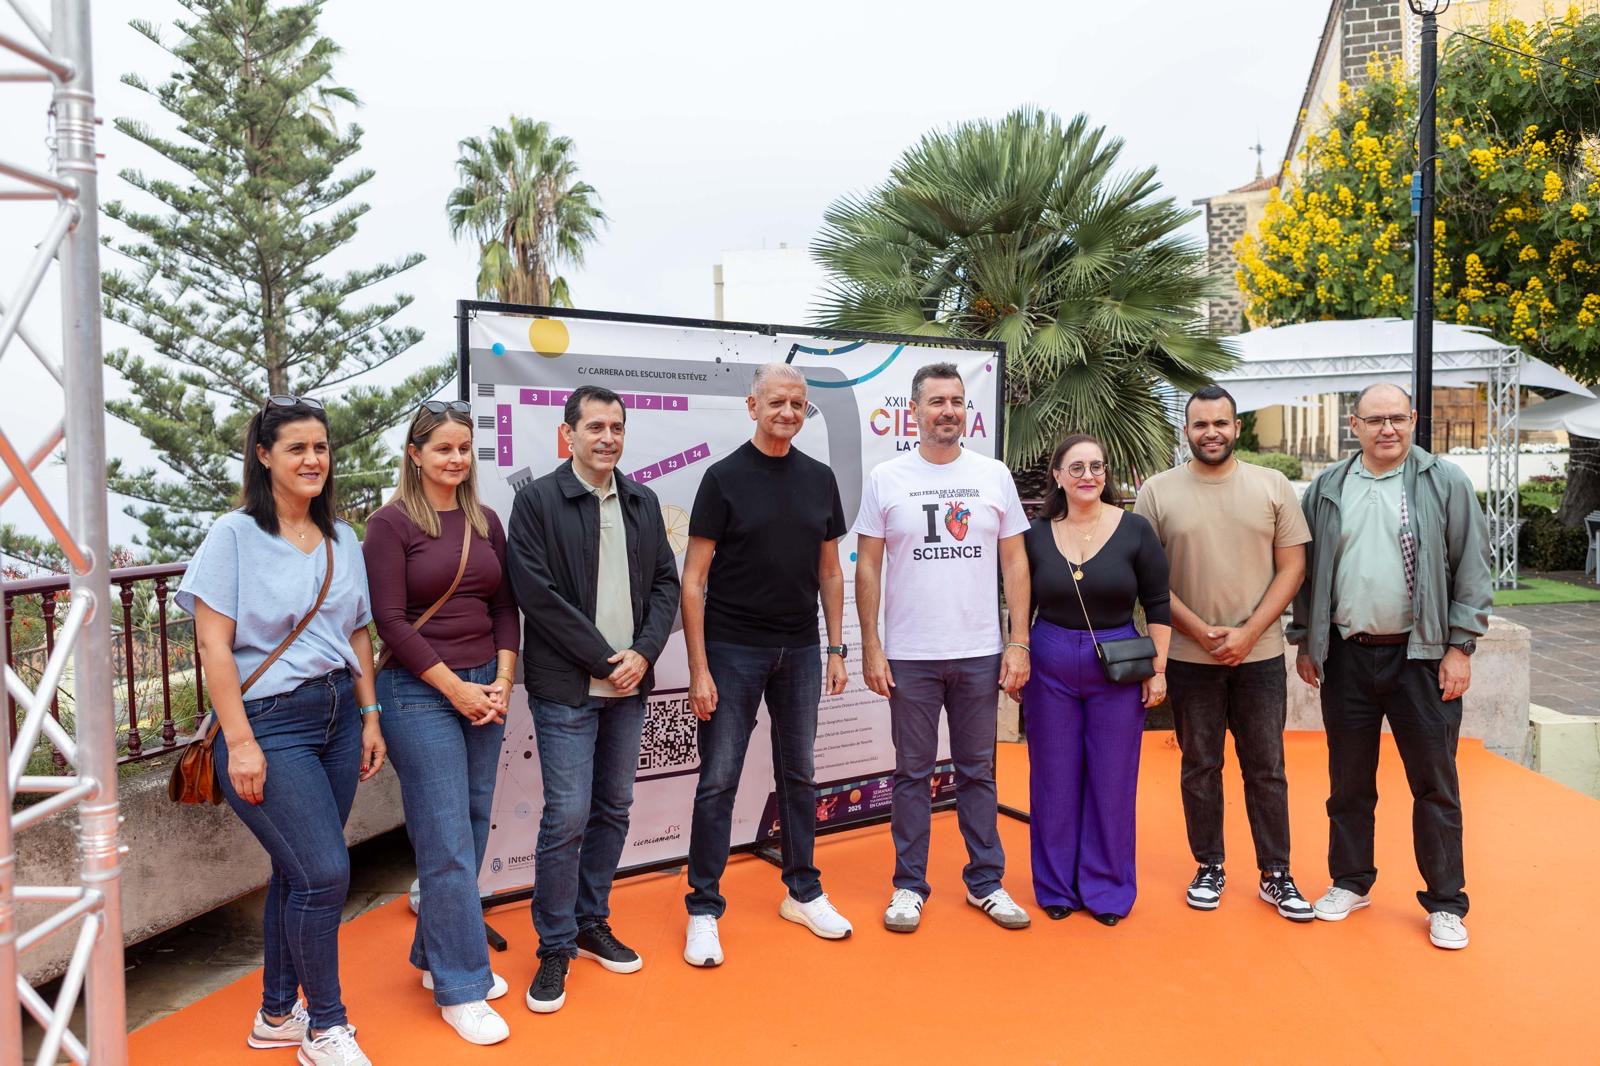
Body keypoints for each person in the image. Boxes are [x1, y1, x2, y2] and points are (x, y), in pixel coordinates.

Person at [178, 396, 385, 1066]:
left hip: (336, 716)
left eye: (321, 447)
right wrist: (239, 742)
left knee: (298, 873)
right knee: (325, 873)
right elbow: (213, 648)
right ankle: (326, 1027)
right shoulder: (233, 536)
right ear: (263, 455)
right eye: (296, 447)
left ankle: (276, 1013)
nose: (312, 460)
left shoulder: (341, 538)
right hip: (269, 724)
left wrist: (369, 712)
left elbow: (355, 630)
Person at [1287, 383, 1491, 951]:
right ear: (1353, 424)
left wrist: (1460, 647)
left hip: (1420, 657)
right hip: (1348, 654)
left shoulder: (1442, 481)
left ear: (1413, 419)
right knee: (1348, 782)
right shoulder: (1328, 487)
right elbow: (1309, 573)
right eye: (1374, 419)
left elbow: (1471, 569)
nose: (1387, 429)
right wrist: (1306, 640)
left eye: (1397, 419)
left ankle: (1446, 902)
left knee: (1435, 785)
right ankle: (1351, 882)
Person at [506, 384, 681, 1012]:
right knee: (567, 815)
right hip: (568, 690)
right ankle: (554, 945)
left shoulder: (642, 499)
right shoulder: (537, 501)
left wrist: (644, 652)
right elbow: (536, 593)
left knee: (614, 807)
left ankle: (590, 920)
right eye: (595, 427)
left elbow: (665, 582)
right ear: (568, 434)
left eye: (617, 427)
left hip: (630, 687)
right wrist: (607, 659)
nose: (607, 437)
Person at [680, 363, 852, 968]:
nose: (787, 412)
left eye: (798, 404)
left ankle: (803, 891)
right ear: (752, 405)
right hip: (731, 650)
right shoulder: (722, 478)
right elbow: (693, 580)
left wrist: (836, 646)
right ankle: (703, 908)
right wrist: (698, 668)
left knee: (800, 774)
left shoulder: (820, 479)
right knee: (719, 779)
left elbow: (830, 571)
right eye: (776, 401)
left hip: (802, 648)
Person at [854, 362, 1034, 934]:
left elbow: (1015, 562)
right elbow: (869, 566)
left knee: (978, 772)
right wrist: (872, 647)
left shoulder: (994, 474)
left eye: (957, 401)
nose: (949, 411)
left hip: (980, 652)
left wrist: (1018, 642)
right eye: (937, 402)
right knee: (911, 774)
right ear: (915, 410)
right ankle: (909, 886)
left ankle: (986, 882)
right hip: (910, 654)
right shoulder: (887, 477)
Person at [362, 399, 520, 1045]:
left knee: (476, 822)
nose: (455, 459)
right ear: (415, 454)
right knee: (446, 841)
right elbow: (390, 621)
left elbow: (507, 606)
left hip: (488, 686)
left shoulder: (486, 521)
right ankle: (461, 986)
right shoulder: (389, 525)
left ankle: (434, 958)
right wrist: (456, 688)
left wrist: (503, 680)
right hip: (419, 693)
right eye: (443, 449)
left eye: (464, 449)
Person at [1134, 385, 1314, 921]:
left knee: (1267, 767)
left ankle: (1275, 873)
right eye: (1200, 424)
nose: (1211, 432)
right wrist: (1201, 629)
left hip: (1257, 657)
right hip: (1190, 657)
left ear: (1238, 428)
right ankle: (1208, 864)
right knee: (1200, 765)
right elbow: (1149, 578)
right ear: (1185, 431)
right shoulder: (1158, 493)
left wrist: (1248, 632)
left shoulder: (1272, 485)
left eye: (1221, 423)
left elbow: (1292, 568)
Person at [1023, 434, 1171, 926]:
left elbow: (1158, 604)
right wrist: (1017, 653)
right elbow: (1021, 605)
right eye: (1078, 466)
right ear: (1059, 476)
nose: (1089, 475)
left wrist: (1160, 671)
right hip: (1050, 660)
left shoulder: (1135, 530)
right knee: (1054, 778)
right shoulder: (1036, 535)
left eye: (1098, 466)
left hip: (1118, 663)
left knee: (1112, 779)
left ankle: (1107, 888)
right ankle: (1057, 885)